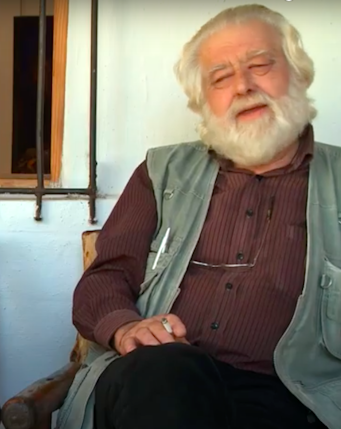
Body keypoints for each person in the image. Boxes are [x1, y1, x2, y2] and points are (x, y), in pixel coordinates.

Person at [58, 5, 338, 429]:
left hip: (286, 396)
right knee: (167, 374)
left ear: (297, 74)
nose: (244, 85)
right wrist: (126, 328)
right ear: (203, 102)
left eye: (260, 65)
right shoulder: (161, 172)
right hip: (153, 382)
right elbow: (105, 278)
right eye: (221, 77)